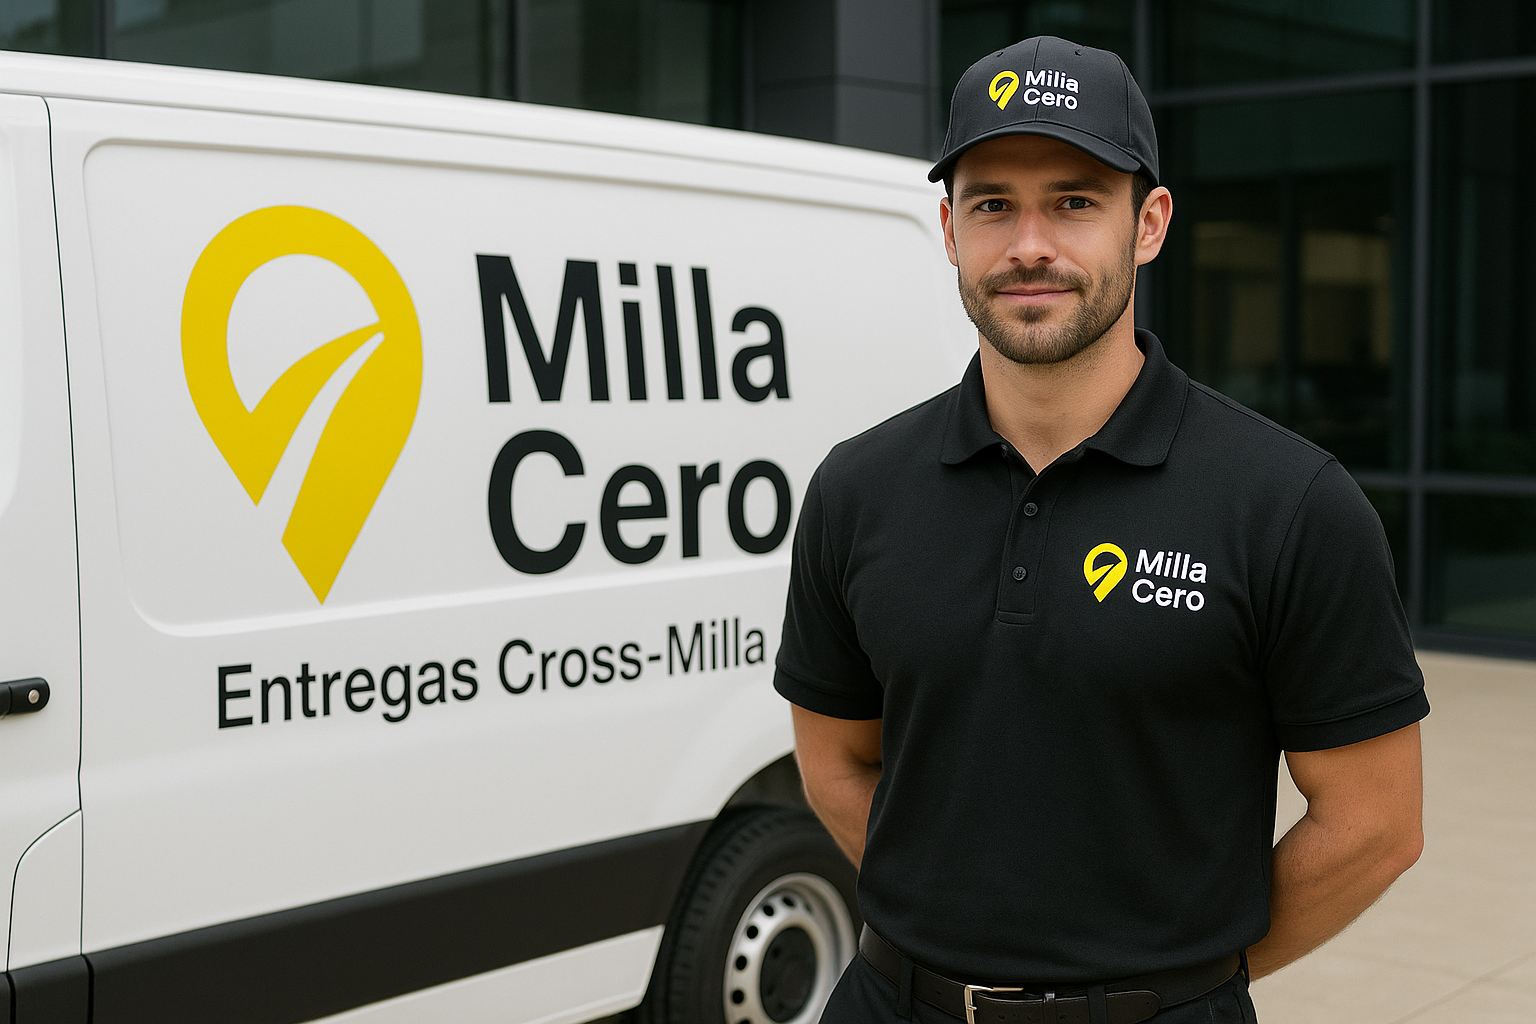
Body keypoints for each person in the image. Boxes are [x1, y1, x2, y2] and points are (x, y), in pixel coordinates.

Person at [773, 35, 1428, 1024]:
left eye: (1075, 201)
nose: (1029, 245)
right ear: (949, 229)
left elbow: (1375, 824)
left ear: (1148, 223)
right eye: (993, 204)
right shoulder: (857, 488)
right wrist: (958, 937)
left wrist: (1175, 983)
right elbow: (834, 765)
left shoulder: (1291, 503)